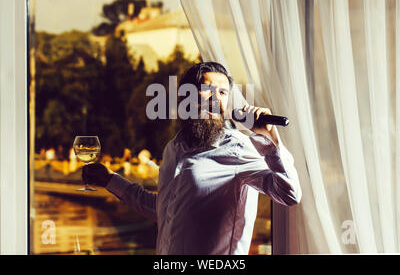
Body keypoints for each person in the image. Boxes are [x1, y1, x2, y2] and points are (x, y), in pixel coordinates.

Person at [83, 61, 302, 255]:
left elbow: (290, 194)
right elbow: (165, 211)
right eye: (207, 90)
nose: (215, 99)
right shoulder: (174, 148)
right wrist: (110, 180)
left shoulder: (237, 147)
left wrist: (269, 137)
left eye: (223, 93)